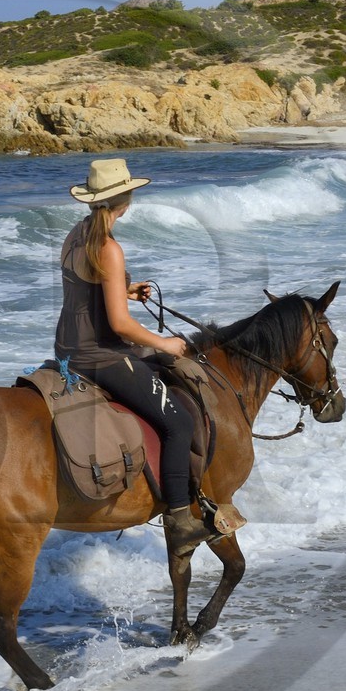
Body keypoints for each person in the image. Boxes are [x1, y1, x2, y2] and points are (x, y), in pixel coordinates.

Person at [57, 158, 213, 547]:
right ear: (124, 200)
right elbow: (121, 326)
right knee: (178, 423)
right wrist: (165, 343)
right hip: (101, 356)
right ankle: (180, 518)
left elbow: (84, 294)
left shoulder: (75, 236)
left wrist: (125, 291)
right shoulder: (109, 248)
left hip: (68, 347)